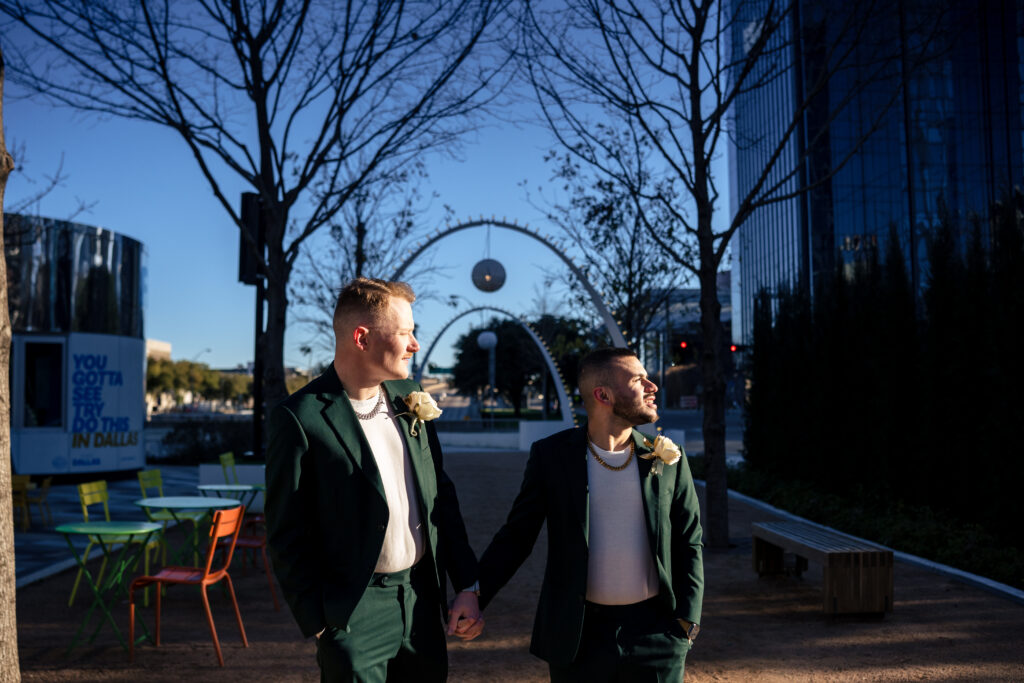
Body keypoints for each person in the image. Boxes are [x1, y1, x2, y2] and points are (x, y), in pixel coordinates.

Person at [266, 277, 483, 682]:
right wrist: (320, 623)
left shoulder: (410, 397)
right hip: (354, 614)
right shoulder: (300, 418)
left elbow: (441, 498)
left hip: (421, 602)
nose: (415, 344)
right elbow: (285, 532)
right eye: (404, 333)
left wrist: (466, 584)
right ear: (362, 338)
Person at [478, 347, 704, 682]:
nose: (652, 386)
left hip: (657, 634)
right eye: (638, 379)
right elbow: (517, 536)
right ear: (603, 395)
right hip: (578, 636)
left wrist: (687, 620)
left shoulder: (667, 458)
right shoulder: (551, 456)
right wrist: (475, 593)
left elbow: (690, 540)